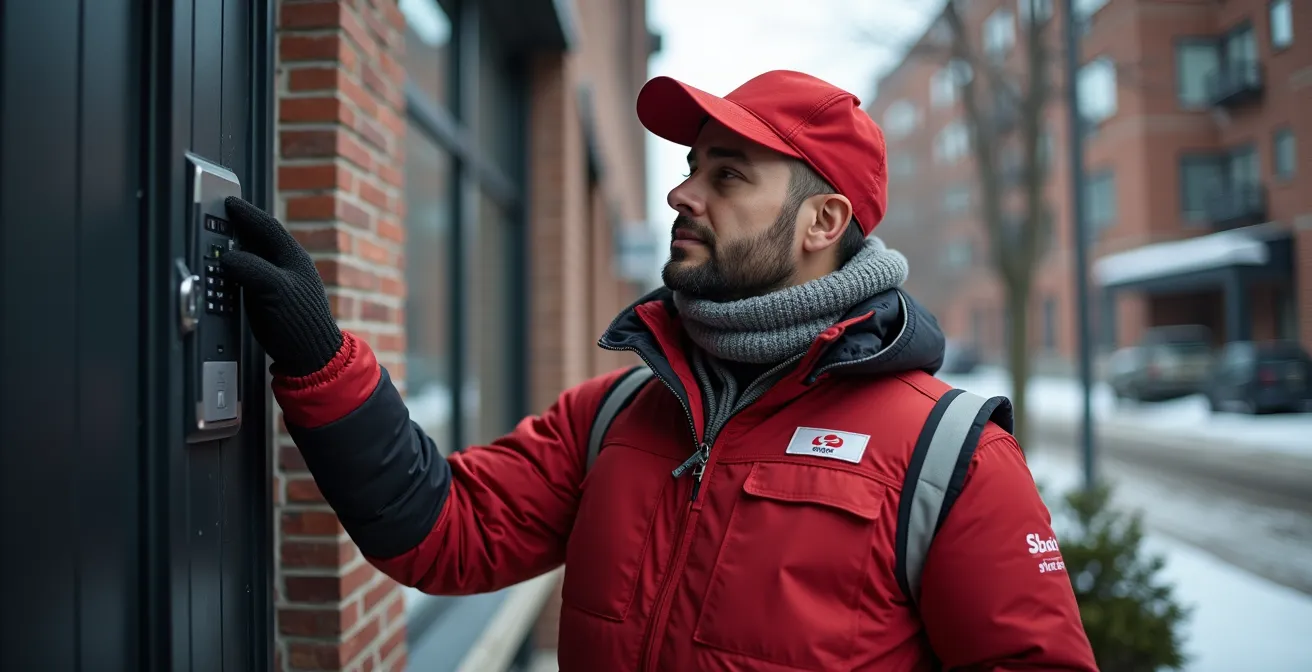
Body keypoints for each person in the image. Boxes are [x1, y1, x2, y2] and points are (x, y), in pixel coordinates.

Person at [222, 70, 1098, 671]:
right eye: (689, 168)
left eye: (728, 174)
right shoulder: (616, 416)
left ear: (822, 220)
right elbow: (439, 531)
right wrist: (320, 358)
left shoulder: (950, 460)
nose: (684, 194)